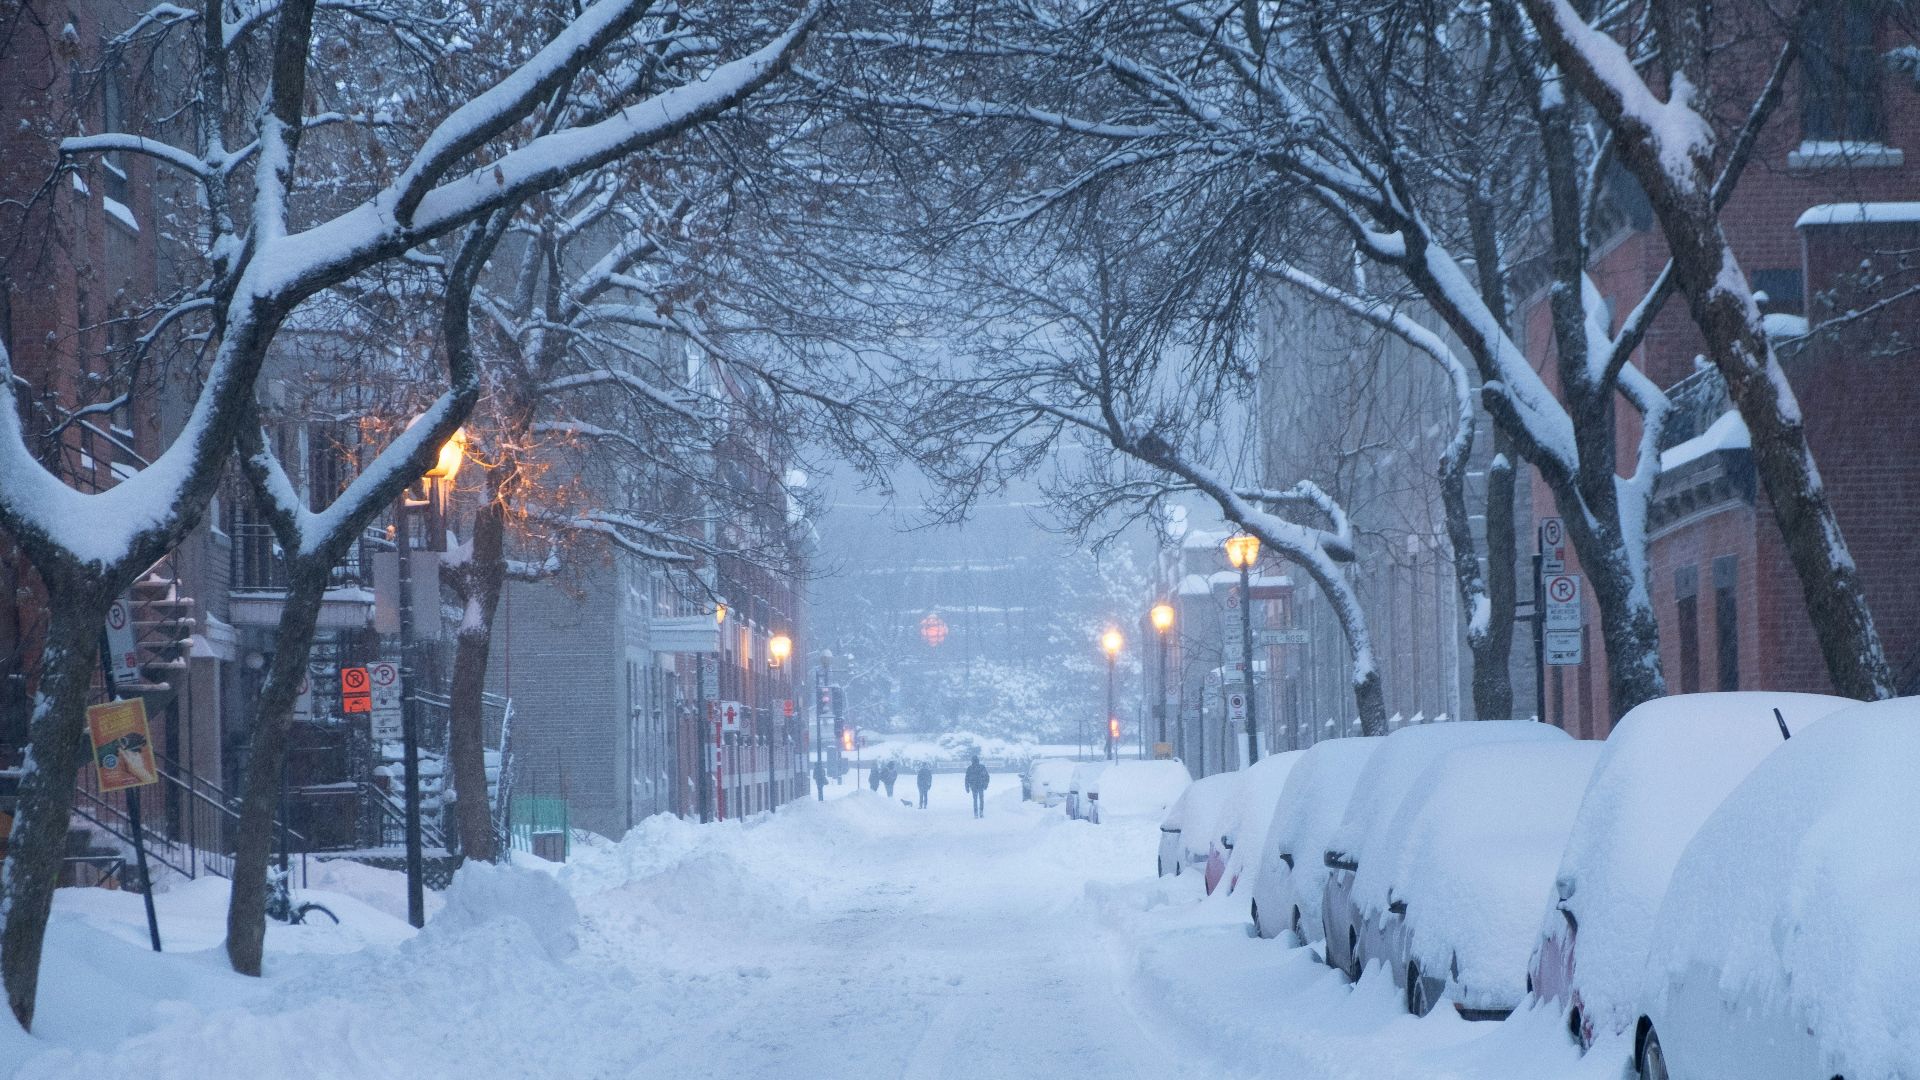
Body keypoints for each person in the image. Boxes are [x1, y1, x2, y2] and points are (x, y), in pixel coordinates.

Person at [964, 754, 990, 818]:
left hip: (973, 786)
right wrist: (986, 784)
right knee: (981, 799)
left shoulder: (970, 768)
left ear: (972, 761)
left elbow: (966, 778)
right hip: (981, 785)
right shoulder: (982, 767)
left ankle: (976, 813)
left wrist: (967, 787)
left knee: (975, 800)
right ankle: (981, 812)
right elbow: (987, 776)